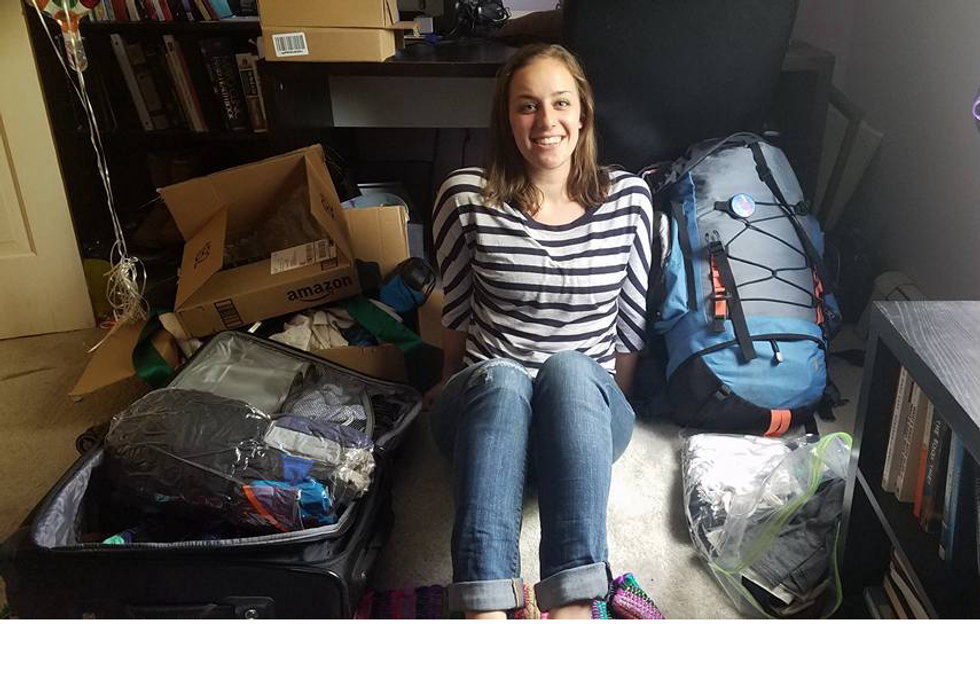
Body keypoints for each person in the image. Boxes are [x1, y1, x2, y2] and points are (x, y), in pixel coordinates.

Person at [428, 43, 663, 619]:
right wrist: (446, 379)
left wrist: (613, 403)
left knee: (571, 370)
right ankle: (484, 608)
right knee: (504, 378)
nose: (545, 122)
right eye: (527, 105)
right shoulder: (465, 197)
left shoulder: (630, 199)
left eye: (560, 103)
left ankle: (574, 605)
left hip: (582, 418)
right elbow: (457, 309)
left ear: (583, 113)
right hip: (488, 415)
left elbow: (630, 322)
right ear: (506, 119)